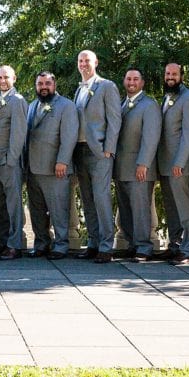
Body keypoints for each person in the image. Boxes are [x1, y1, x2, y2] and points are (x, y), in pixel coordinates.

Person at [72, 50, 122, 263]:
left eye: (87, 60)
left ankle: (106, 246)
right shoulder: (79, 89)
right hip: (80, 151)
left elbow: (114, 119)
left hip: (99, 151)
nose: (83, 64)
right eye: (80, 61)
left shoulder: (107, 86)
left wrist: (108, 148)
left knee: (101, 198)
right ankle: (93, 242)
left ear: (96, 62)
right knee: (87, 199)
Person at [24, 71, 79, 260]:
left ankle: (61, 245)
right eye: (40, 84)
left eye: (47, 83)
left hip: (56, 168)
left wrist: (62, 161)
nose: (44, 87)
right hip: (33, 168)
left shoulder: (66, 106)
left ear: (54, 85)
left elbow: (69, 137)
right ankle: (41, 244)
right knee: (37, 210)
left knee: (59, 209)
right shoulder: (32, 106)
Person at [113, 68, 162, 262]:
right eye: (128, 78)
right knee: (125, 209)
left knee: (141, 209)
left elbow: (151, 137)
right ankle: (132, 244)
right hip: (122, 168)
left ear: (142, 83)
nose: (131, 82)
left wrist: (144, 163)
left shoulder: (149, 105)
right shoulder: (122, 104)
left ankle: (144, 247)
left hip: (140, 167)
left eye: (135, 79)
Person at [155, 63, 189, 265]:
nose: (170, 77)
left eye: (174, 74)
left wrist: (180, 162)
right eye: (167, 73)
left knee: (184, 208)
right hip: (164, 163)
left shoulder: (188, 97)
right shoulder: (167, 96)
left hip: (178, 164)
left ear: (182, 75)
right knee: (171, 208)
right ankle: (175, 245)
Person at [0, 65, 28, 260]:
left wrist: (11, 160)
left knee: (13, 206)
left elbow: (18, 134)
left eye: (6, 77)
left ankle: (15, 245)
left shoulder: (16, 100)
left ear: (14, 78)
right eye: (0, 77)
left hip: (9, 163)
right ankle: (3, 243)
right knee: (1, 207)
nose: (2, 81)